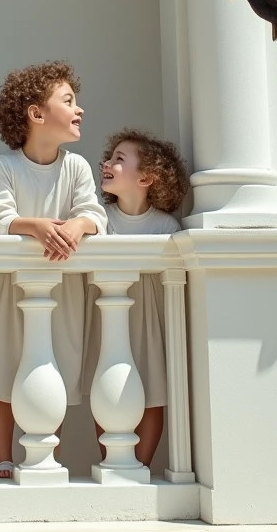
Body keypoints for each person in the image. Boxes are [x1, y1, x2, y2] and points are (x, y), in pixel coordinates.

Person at [0, 61, 106, 479]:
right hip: (9, 289)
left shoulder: (77, 167)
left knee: (54, 369)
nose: (79, 109)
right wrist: (37, 227)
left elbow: (93, 215)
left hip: (60, 288)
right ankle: (2, 458)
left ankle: (46, 454)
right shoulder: (6, 166)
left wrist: (75, 226)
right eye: (68, 101)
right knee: (2, 368)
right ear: (36, 114)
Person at [82, 128, 188, 468]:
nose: (106, 163)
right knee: (106, 388)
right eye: (110, 157)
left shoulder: (165, 226)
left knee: (152, 391)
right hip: (107, 318)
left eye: (119, 159)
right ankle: (112, 461)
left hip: (149, 320)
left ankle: (140, 465)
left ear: (146, 178)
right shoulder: (99, 218)